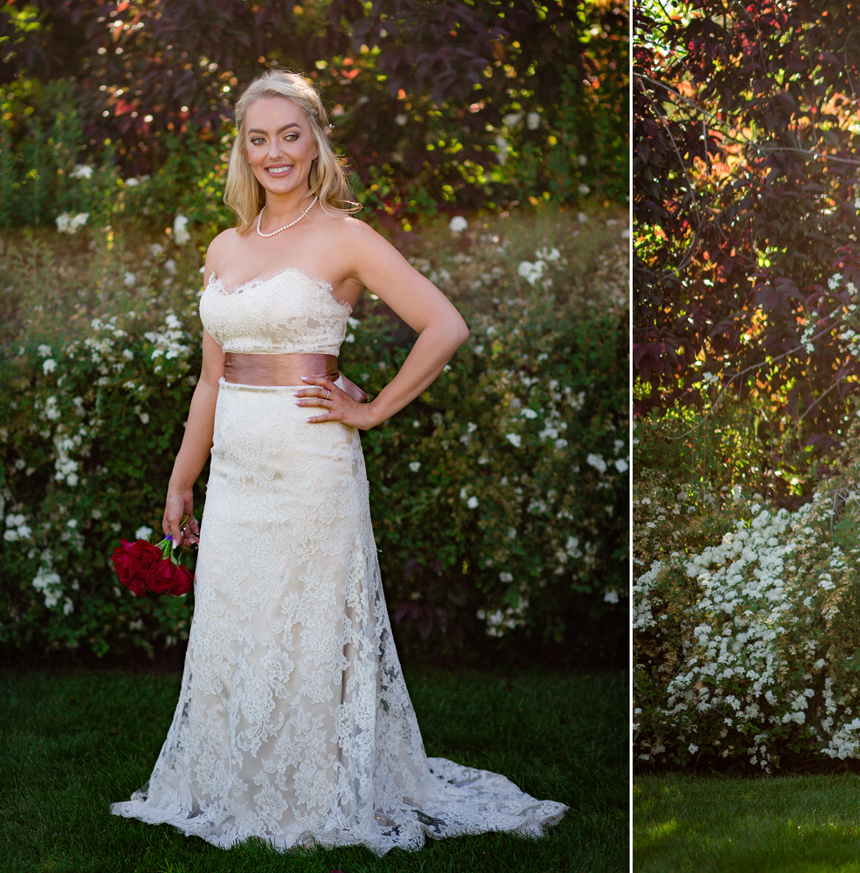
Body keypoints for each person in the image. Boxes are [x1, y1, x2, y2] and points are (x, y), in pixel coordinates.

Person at [110, 70, 567, 854]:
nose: (274, 152)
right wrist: (184, 476)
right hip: (239, 470)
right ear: (242, 150)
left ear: (316, 139)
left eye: (290, 134)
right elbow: (213, 376)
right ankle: (235, 781)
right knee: (238, 619)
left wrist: (373, 407)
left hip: (310, 464)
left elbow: (444, 324)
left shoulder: (346, 236)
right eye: (259, 138)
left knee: (312, 622)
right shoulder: (225, 245)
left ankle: (316, 791)